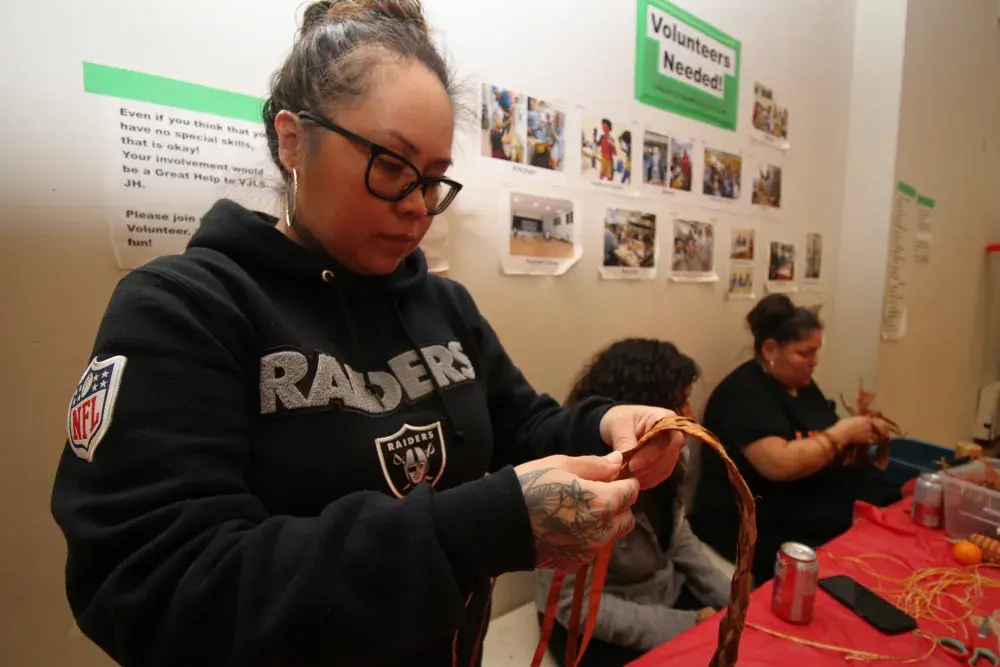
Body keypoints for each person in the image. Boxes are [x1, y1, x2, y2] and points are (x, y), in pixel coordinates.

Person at [50, 3, 686, 667]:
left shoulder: (443, 304)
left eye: (435, 178)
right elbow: (158, 589)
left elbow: (524, 425)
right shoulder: (185, 308)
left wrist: (611, 424)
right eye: (390, 165)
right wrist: (480, 529)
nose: (417, 204)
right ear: (292, 139)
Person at [535, 339, 731, 667]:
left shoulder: (664, 457)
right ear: (645, 408)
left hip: (658, 594)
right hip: (594, 623)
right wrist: (689, 624)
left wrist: (736, 599)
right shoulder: (577, 484)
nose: (692, 416)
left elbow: (680, 541)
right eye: (681, 403)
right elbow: (573, 605)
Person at [690, 295, 891, 585]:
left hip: (808, 504)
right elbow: (779, 464)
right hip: (757, 524)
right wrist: (843, 433)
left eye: (816, 352)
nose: (814, 363)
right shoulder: (743, 394)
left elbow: (821, 436)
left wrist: (864, 435)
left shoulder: (801, 385)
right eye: (804, 353)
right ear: (770, 349)